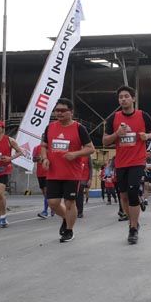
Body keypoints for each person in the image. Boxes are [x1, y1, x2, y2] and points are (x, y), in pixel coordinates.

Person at [102, 86, 151, 244]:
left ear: (133, 99)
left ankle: (133, 229)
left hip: (137, 161)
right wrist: (116, 135)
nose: (123, 99)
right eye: (120, 97)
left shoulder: (142, 115)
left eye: (126, 96)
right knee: (124, 196)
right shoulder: (114, 118)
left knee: (132, 193)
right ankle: (133, 221)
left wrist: (147, 135)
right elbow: (105, 141)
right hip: (121, 163)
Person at [38, 99, 94, 243]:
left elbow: (90, 148)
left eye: (63, 110)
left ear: (71, 112)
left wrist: (75, 154)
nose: (59, 113)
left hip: (72, 174)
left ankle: (69, 230)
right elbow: (43, 146)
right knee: (53, 203)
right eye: (57, 110)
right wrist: (44, 158)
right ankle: (65, 218)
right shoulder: (50, 127)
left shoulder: (79, 128)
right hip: (53, 172)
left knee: (70, 203)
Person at [0, 120, 23, 228]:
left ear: (2, 128)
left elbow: (20, 152)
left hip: (4, 169)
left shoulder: (9, 140)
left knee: (0, 193)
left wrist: (10, 158)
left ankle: (3, 217)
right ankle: (1, 216)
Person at [33, 142, 50, 218]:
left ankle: (45, 211)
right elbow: (33, 159)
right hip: (40, 173)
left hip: (48, 173)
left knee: (46, 192)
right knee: (44, 193)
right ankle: (52, 206)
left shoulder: (50, 148)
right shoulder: (36, 148)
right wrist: (38, 158)